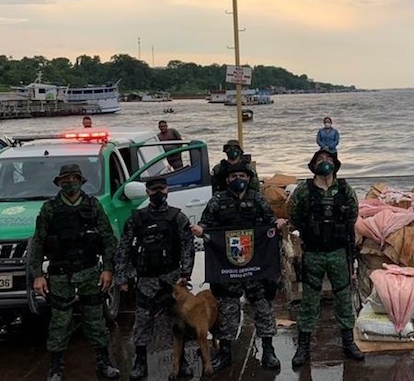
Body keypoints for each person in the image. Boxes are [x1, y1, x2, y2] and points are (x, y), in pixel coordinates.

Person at [28, 164, 120, 381]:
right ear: (59, 183)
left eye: (74, 178)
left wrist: (108, 268)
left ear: (81, 180)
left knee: (95, 319)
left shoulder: (93, 206)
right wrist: (37, 275)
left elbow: (108, 238)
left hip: (89, 270)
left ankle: (104, 361)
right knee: (60, 320)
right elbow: (39, 242)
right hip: (60, 272)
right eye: (65, 179)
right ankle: (56, 366)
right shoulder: (49, 209)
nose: (70, 182)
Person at [191, 164, 281, 372]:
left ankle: (268, 350)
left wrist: (277, 225)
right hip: (227, 266)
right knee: (228, 310)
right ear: (227, 179)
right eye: (234, 175)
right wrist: (199, 230)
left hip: (256, 266)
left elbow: (270, 221)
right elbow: (206, 225)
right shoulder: (217, 201)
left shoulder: (258, 199)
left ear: (249, 178)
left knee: (263, 306)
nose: (238, 178)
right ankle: (225, 353)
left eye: (242, 175)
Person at [288, 148, 365, 368]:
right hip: (313, 252)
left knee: (343, 297)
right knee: (310, 300)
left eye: (328, 159)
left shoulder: (344, 189)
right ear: (313, 165)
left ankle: (348, 343)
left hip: (338, 252)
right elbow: (294, 214)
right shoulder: (304, 190)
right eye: (320, 159)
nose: (324, 162)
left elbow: (353, 215)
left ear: (335, 164)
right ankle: (303, 346)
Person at [115, 176, 195, 380]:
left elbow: (187, 245)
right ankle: (140, 362)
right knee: (142, 322)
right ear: (147, 192)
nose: (158, 193)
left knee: (178, 321)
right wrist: (121, 277)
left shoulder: (177, 217)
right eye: (153, 190)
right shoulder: (137, 218)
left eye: (161, 189)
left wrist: (186, 273)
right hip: (146, 279)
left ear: (167, 190)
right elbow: (124, 247)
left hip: (172, 279)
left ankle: (182, 361)